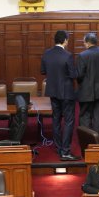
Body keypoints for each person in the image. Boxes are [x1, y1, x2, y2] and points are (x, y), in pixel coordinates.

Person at [40, 30, 79, 161]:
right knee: (68, 121)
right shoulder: (67, 55)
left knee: (56, 120)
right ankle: (66, 151)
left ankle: (58, 147)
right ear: (65, 40)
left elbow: (42, 71)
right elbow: (73, 75)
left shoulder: (46, 54)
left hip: (52, 91)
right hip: (66, 93)